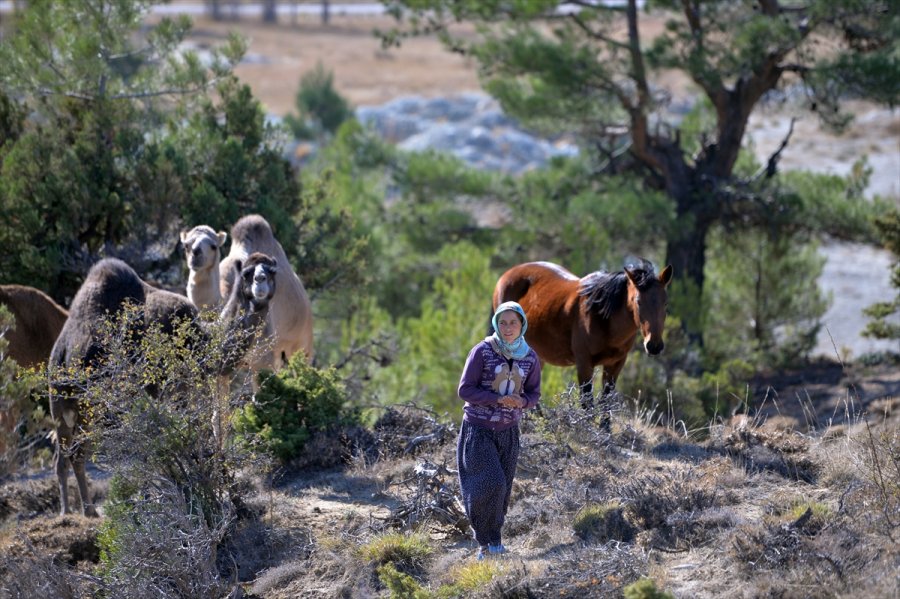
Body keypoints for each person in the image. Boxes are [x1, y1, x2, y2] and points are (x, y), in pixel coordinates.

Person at [456, 300, 542, 560]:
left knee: (503, 489)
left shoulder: (529, 356)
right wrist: (496, 399)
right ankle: (483, 543)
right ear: (495, 323)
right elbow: (464, 390)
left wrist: (523, 402)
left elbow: (534, 393)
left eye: (513, 322)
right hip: (478, 429)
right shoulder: (482, 351)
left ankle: (495, 544)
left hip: (509, 432)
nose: (507, 328)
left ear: (522, 325)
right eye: (502, 322)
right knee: (489, 483)